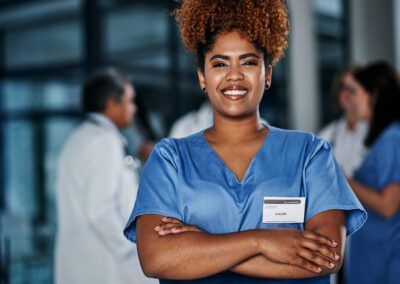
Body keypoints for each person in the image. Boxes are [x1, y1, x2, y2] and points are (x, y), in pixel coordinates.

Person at [124, 1, 367, 283]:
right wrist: (260, 241)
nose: (235, 75)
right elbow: (156, 258)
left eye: (249, 62)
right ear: (203, 76)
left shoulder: (310, 154)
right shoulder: (169, 159)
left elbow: (327, 256)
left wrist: (203, 245)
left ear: (268, 75)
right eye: (220, 63)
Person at [55, 68, 156, 284]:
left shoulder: (79, 138)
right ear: (112, 103)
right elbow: (101, 212)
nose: (133, 108)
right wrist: (135, 250)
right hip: (104, 268)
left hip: (81, 265)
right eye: (129, 101)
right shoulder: (104, 142)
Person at [345, 62, 400, 284]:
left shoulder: (392, 139)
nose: (350, 101)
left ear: (374, 95)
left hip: (384, 265)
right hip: (373, 263)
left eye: (355, 93)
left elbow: (388, 205)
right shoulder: (384, 140)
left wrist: (344, 180)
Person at [318, 66, 369, 177]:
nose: (348, 94)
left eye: (353, 88)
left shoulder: (380, 133)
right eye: (343, 88)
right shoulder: (327, 135)